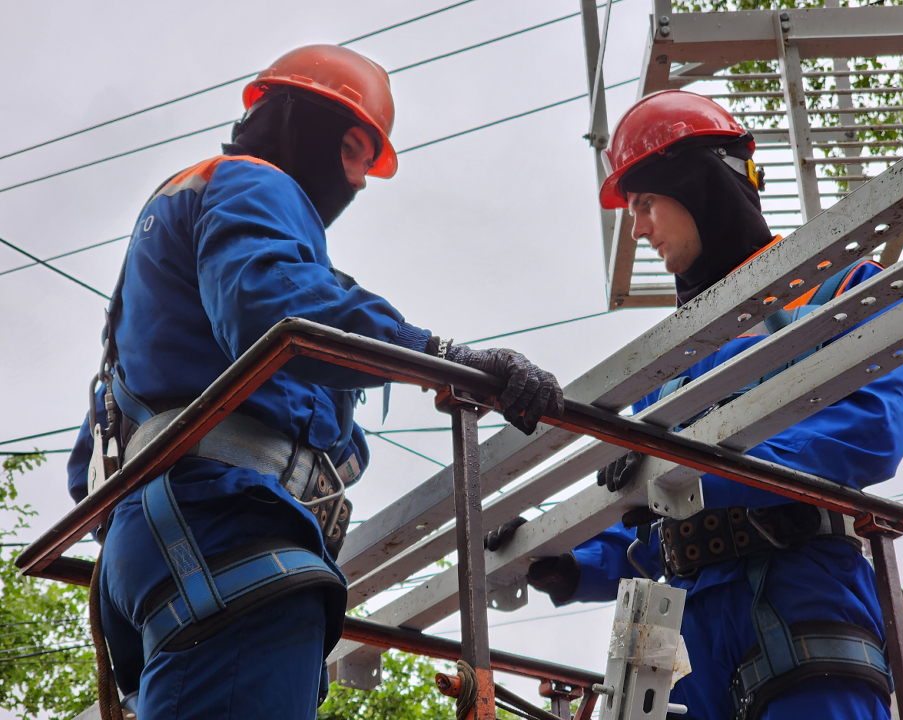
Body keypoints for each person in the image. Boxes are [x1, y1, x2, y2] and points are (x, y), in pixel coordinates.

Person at [66, 44, 562, 720]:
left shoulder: (165, 247)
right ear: (331, 133)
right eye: (360, 157)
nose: (357, 185)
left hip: (158, 543)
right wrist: (439, 357)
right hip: (226, 529)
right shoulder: (252, 184)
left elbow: (87, 472)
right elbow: (276, 309)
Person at [486, 91, 903, 720]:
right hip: (681, 628)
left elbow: (869, 430)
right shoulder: (673, 362)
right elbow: (650, 518)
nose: (638, 228)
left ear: (700, 185)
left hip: (799, 592)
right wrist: (566, 557)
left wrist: (692, 471)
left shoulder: (839, 288)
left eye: (645, 203)